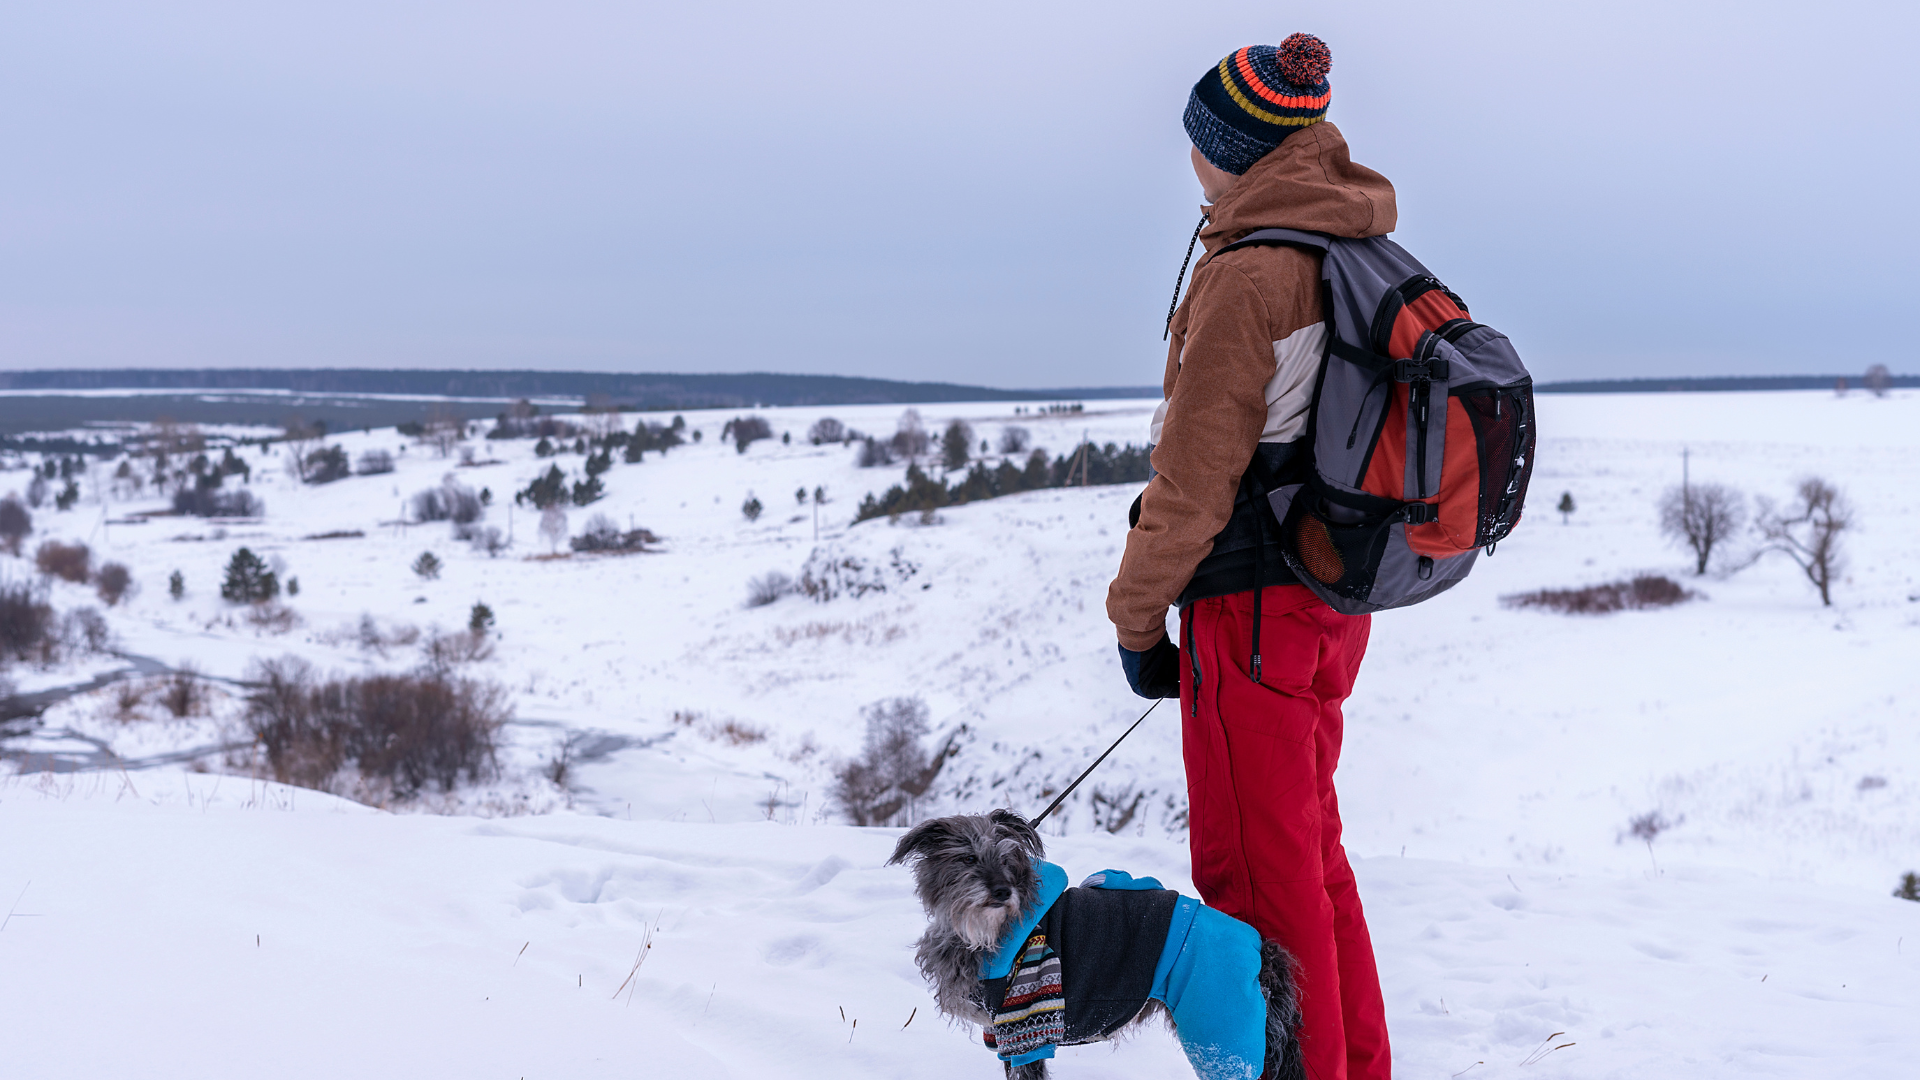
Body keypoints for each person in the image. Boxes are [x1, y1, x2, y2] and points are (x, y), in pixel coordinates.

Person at [1107, 34, 1394, 1080]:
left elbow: (1191, 488)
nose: (1190, 161)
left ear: (1228, 149)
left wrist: (1137, 624)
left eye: (1198, 142)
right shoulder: (1343, 245)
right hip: (1328, 600)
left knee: (1255, 885)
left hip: (1253, 615)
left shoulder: (1252, 274)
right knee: (1312, 860)